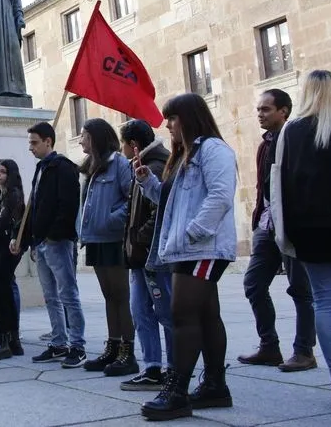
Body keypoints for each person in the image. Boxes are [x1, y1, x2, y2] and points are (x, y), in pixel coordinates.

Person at [136, 93, 238, 421]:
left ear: (190, 118)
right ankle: (215, 386)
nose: (168, 125)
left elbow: (221, 196)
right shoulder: (185, 155)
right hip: (189, 247)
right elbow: (172, 203)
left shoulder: (212, 149)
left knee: (182, 314)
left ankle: (176, 391)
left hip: (202, 247)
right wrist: (147, 182)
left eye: (173, 118)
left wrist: (193, 232)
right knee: (206, 315)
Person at [271, 70, 331, 411]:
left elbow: (280, 184)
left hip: (311, 229)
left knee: (325, 303)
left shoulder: (292, 132)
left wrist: (286, 233)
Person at [238, 89, 317, 372]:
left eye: (266, 109)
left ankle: (304, 351)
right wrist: (258, 219)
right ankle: (269, 346)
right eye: (259, 109)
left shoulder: (296, 140)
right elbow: (263, 188)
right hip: (266, 226)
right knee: (254, 284)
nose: (260, 114)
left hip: (292, 226)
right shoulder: (264, 144)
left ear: (284, 111)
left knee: (300, 290)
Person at [24, 122, 86, 368]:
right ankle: (59, 342)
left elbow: (68, 206)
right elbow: (35, 205)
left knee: (67, 294)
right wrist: (31, 238)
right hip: (41, 242)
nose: (31, 148)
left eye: (34, 142)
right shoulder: (41, 168)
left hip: (58, 242)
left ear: (48, 141)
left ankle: (77, 345)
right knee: (50, 296)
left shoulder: (64, 168)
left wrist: (52, 235)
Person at [77, 118, 136, 376]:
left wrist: (111, 219)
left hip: (113, 238)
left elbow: (132, 198)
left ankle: (128, 351)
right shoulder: (92, 167)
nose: (80, 140)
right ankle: (112, 347)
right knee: (109, 296)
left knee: (121, 295)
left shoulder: (120, 164)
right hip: (95, 239)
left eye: (84, 135)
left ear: (97, 138)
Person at [118, 120, 173, 391]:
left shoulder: (156, 166)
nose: (121, 148)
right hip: (139, 255)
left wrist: (139, 236)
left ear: (134, 145)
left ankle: (174, 368)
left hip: (154, 255)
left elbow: (160, 210)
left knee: (165, 312)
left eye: (123, 143)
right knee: (140, 310)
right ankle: (152, 367)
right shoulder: (142, 165)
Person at [0, 159, 27, 360]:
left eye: (3, 172)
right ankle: (13, 341)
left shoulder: (13, 193)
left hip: (8, 246)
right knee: (0, 291)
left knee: (1, 292)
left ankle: (6, 340)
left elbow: (2, 222)